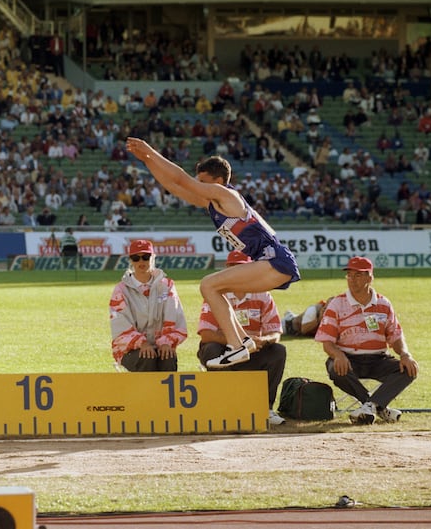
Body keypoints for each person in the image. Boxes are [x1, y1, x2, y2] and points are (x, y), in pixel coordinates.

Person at [125, 138, 300, 369]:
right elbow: (175, 187)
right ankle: (243, 342)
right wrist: (146, 161)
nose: (198, 186)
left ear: (217, 182)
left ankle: (237, 346)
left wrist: (150, 151)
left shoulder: (226, 196)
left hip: (275, 260)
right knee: (217, 290)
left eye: (203, 182)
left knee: (208, 285)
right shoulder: (215, 203)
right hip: (272, 262)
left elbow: (181, 179)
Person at [315, 256, 419, 425]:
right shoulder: (337, 304)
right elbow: (327, 342)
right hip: (348, 358)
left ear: (370, 277)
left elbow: (395, 336)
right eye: (349, 275)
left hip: (378, 359)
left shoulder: (384, 304)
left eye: (357, 275)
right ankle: (377, 406)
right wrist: (338, 355)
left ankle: (370, 406)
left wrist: (405, 354)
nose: (352, 280)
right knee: (335, 368)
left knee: (409, 369)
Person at [197, 251, 288, 426]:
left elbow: (275, 332)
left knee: (278, 351)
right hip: (226, 351)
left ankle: (265, 408)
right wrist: (240, 342)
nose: (237, 272)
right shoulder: (215, 295)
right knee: (210, 349)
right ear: (227, 269)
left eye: (242, 267)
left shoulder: (263, 295)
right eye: (233, 267)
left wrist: (265, 340)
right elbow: (206, 334)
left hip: (253, 351)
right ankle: (226, 406)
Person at [109, 240, 187, 372]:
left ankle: (166, 393)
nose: (141, 261)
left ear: (153, 258)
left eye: (146, 257)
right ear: (130, 261)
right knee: (147, 357)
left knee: (168, 357)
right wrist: (142, 343)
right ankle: (146, 393)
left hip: (161, 346)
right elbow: (120, 326)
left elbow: (175, 317)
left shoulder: (167, 286)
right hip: (131, 349)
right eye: (136, 257)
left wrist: (167, 342)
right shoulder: (121, 290)